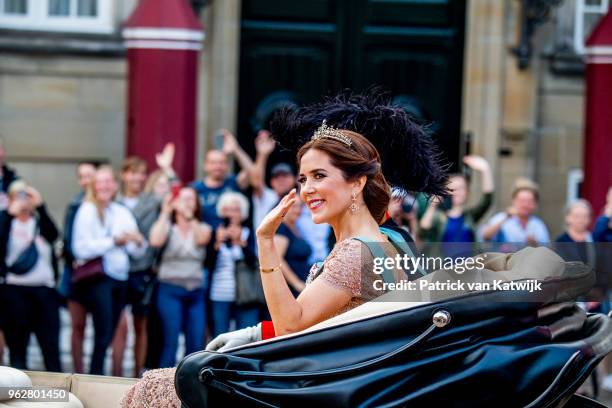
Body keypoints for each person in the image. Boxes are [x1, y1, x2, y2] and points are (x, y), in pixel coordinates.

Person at [121, 91, 448, 407]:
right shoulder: (389, 240)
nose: (307, 189)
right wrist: (256, 336)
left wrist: (264, 242)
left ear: (358, 182)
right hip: (341, 374)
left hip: (328, 383)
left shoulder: (358, 251)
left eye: (319, 175)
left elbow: (295, 326)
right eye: (303, 178)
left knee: (154, 387)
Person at [71, 165, 147, 375]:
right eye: (100, 182)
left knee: (111, 330)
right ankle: (94, 375)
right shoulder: (87, 210)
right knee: (103, 331)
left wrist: (139, 242)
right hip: (98, 278)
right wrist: (114, 241)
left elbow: (136, 251)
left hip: (119, 277)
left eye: (108, 181)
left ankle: (97, 375)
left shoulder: (121, 211)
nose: (105, 186)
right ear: (93, 186)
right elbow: (81, 248)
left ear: (114, 185)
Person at [0, 181, 61, 372]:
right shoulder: (5, 221)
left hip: (44, 291)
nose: (23, 200)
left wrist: (41, 207)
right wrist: (10, 215)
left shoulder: (39, 221)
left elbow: (53, 235)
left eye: (26, 195)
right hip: (14, 291)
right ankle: (19, 395)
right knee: (18, 347)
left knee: (50, 346)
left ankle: (58, 395)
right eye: (17, 195)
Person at [111, 156, 163, 377]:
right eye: (133, 172)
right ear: (124, 175)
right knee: (118, 327)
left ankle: (137, 374)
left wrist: (167, 168)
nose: (137, 178)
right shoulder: (114, 202)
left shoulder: (153, 201)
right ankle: (115, 373)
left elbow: (174, 195)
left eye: (142, 173)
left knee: (141, 326)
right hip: (119, 271)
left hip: (143, 270)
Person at [149, 186, 212, 368]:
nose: (187, 203)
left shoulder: (202, 227)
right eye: (183, 199)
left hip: (196, 291)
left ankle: (189, 385)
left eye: (191, 199)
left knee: (195, 343)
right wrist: (165, 212)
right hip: (169, 289)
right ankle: (163, 387)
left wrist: (190, 218)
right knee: (170, 341)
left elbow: (202, 239)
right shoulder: (168, 227)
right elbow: (155, 240)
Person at [251, 130, 329, 263]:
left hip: (312, 262)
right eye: (276, 177)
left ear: (294, 179)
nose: (281, 180)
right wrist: (262, 154)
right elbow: (256, 181)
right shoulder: (268, 197)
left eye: (285, 176)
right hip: (267, 261)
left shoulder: (303, 198)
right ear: (271, 182)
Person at [59, 161, 97, 374]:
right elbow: (67, 240)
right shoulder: (74, 204)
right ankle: (78, 371)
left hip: (103, 276)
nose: (86, 181)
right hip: (77, 274)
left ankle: (97, 374)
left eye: (90, 175)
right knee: (77, 326)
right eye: (82, 176)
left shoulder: (109, 204)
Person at [209, 191, 260, 336]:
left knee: (246, 337)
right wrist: (217, 243)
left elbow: (254, 263)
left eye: (235, 210)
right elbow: (208, 265)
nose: (231, 214)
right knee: (219, 337)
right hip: (220, 294)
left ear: (242, 213)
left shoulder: (250, 233)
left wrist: (240, 243)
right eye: (227, 210)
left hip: (246, 295)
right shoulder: (215, 233)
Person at [419, 155, 494, 243]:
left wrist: (485, 169)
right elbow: (423, 231)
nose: (456, 192)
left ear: (467, 192)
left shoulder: (470, 216)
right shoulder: (439, 217)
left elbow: (487, 200)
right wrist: (432, 206)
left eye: (461, 188)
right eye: (452, 189)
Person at [191, 129, 254, 228]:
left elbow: (251, 171)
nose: (218, 166)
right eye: (213, 163)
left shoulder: (233, 183)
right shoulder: (195, 189)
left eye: (222, 162)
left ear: (227, 166)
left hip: (232, 239)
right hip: (204, 240)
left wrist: (235, 150)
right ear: (205, 166)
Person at [480, 178, 549, 246]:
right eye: (522, 201)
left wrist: (535, 245)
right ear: (513, 201)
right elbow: (485, 237)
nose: (525, 205)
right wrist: (506, 218)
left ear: (535, 204)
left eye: (529, 201)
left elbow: (547, 250)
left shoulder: (538, 225)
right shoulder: (502, 218)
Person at [274, 197, 312, 297]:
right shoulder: (281, 229)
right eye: (294, 206)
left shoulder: (296, 228)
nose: (298, 210)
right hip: (291, 288)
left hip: (303, 284)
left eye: (300, 206)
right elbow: (277, 259)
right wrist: (296, 283)